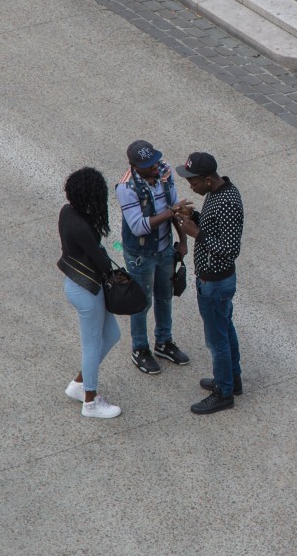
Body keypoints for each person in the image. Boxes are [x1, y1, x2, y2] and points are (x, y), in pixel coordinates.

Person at [174, 152, 244, 415]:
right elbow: (217, 229)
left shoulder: (227, 202)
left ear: (206, 179)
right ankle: (232, 380)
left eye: (193, 181)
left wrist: (195, 233)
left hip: (215, 282)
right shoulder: (217, 192)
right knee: (225, 330)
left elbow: (230, 248)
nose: (190, 186)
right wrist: (195, 217)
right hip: (215, 281)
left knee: (217, 341)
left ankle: (223, 393)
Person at [116, 140, 191, 375]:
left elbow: (175, 209)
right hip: (141, 254)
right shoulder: (126, 188)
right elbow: (138, 227)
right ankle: (140, 348)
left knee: (165, 296)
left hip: (165, 249)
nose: (155, 167)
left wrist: (183, 241)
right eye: (148, 165)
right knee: (141, 302)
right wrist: (169, 213)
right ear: (134, 166)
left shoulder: (165, 171)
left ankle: (164, 342)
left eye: (155, 161)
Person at [57, 167, 122, 418]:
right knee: (92, 346)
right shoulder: (82, 226)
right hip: (87, 290)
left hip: (81, 285)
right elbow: (103, 263)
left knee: (112, 335)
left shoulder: (67, 212)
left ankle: (79, 383)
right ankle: (91, 402)